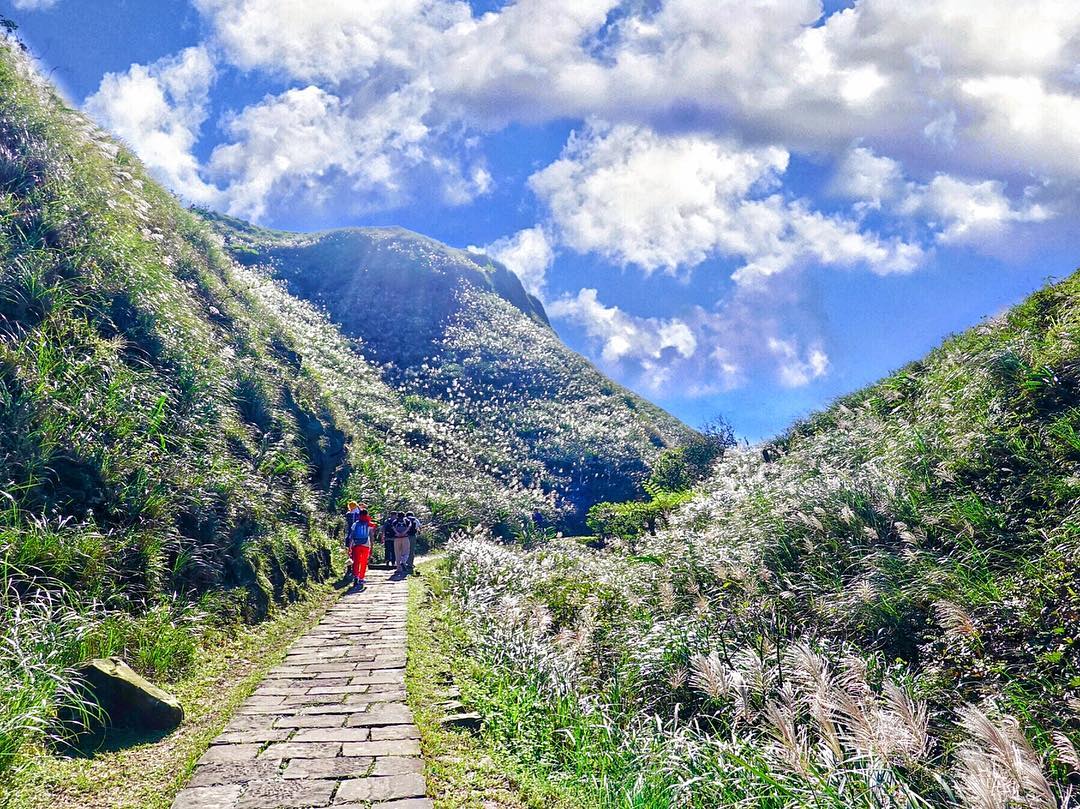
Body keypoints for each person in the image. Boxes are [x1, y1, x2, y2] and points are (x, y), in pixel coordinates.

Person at [346, 504, 377, 588]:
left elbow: (351, 536)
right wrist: (372, 546)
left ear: (359, 515)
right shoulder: (369, 524)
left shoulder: (355, 524)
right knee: (363, 562)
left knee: (356, 562)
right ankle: (361, 578)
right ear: (367, 515)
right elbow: (371, 536)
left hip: (356, 545)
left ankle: (356, 576)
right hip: (366, 545)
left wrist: (350, 547)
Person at [391, 512, 411, 580]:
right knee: (406, 552)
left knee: (397, 553)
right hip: (405, 537)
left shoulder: (395, 521)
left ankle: (398, 568)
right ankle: (403, 562)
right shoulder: (407, 520)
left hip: (397, 538)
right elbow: (409, 527)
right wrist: (404, 532)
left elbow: (393, 527)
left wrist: (398, 533)